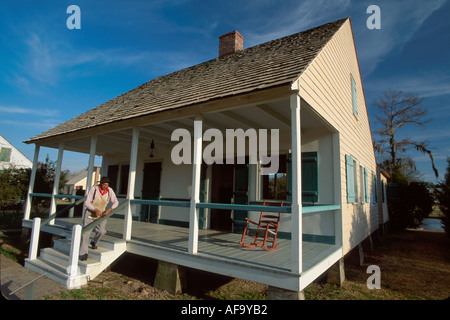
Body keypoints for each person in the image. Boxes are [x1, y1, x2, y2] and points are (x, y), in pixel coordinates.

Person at [79, 176, 119, 261]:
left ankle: (94, 242)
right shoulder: (94, 189)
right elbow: (87, 202)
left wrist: (110, 209)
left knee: (101, 231)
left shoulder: (109, 190)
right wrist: (94, 209)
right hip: (90, 213)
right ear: (100, 184)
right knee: (85, 233)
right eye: (104, 184)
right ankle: (83, 253)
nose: (105, 186)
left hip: (102, 215)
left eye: (107, 185)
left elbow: (116, 202)